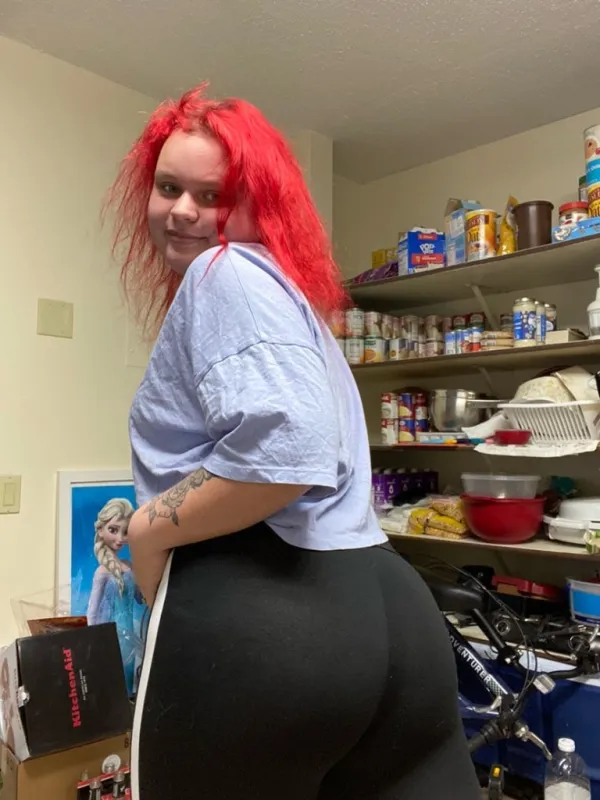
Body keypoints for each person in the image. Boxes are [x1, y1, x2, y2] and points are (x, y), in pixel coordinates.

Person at [108, 85, 480, 800]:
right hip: (388, 609)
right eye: (168, 187)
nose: (182, 210)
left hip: (266, 612)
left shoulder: (223, 272)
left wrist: (149, 530)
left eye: (212, 196)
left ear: (256, 205)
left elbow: (287, 448)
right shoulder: (287, 298)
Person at [87, 497, 141, 692]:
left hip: (129, 633)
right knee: (112, 682)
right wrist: (92, 642)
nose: (120, 538)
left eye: (125, 532)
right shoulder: (102, 572)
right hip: (109, 635)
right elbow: (92, 612)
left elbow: (138, 598)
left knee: (128, 679)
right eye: (113, 530)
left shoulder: (128, 566)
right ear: (100, 530)